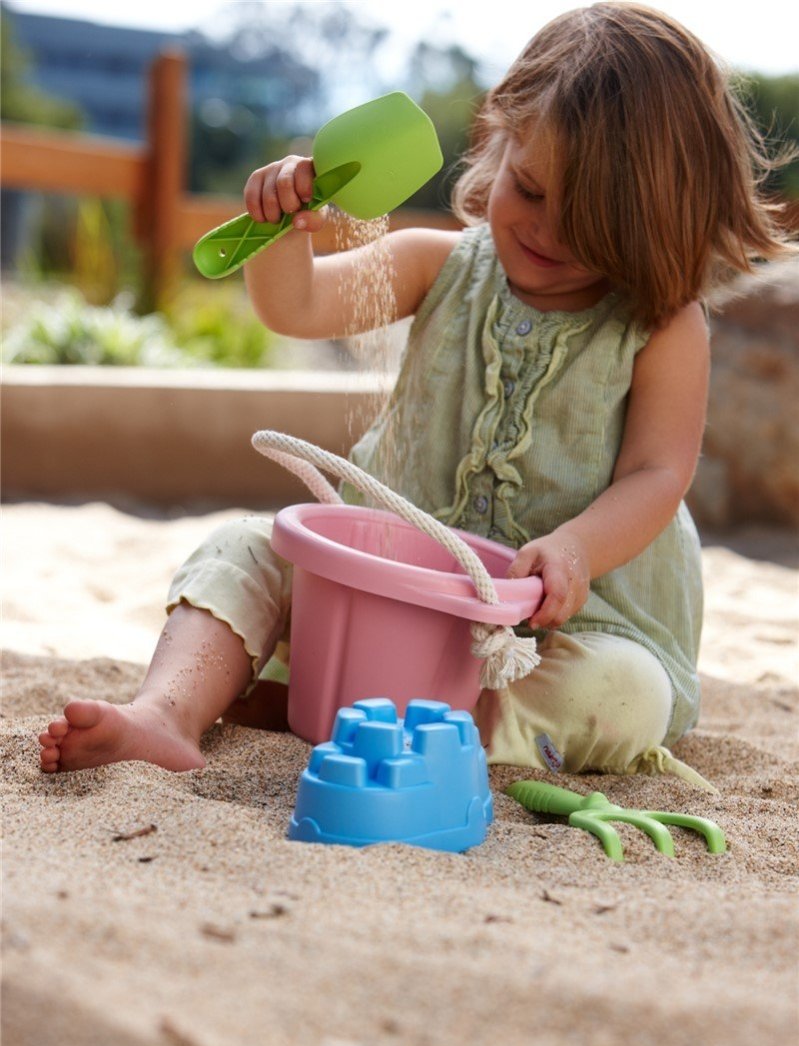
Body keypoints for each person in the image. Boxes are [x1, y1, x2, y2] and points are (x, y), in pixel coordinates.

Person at [39, 2, 793, 780]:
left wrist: (575, 548)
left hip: (545, 626)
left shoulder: (661, 324)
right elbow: (295, 307)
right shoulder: (438, 263)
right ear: (500, 139)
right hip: (386, 592)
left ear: (657, 221)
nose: (545, 232)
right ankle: (167, 713)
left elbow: (656, 475)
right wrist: (281, 234)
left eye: (590, 226)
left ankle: (399, 716)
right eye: (529, 189)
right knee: (242, 549)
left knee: (623, 695)